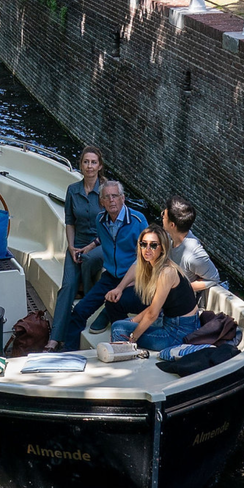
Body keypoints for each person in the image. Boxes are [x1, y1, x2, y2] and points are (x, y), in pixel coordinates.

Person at [60, 180, 147, 351]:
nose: (111, 200)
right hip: (110, 277)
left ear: (123, 198)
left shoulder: (138, 221)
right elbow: (104, 237)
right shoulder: (100, 220)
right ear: (101, 201)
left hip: (133, 279)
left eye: (115, 196)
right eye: (107, 197)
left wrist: (126, 285)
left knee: (116, 305)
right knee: (79, 311)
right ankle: (69, 354)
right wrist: (91, 246)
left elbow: (146, 257)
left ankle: (123, 344)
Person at [46, 146, 106, 351]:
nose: (89, 166)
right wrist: (71, 247)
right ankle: (55, 338)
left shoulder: (107, 191)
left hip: (101, 243)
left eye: (93, 162)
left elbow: (111, 225)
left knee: (89, 259)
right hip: (77, 244)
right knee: (67, 286)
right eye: (86, 162)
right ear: (80, 165)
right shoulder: (73, 190)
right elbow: (69, 222)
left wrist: (91, 246)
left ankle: (87, 303)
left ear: (100, 166)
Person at [109, 225, 201, 351]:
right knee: (127, 322)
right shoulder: (157, 267)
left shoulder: (166, 272)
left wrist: (133, 337)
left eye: (153, 245)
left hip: (178, 333)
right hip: (174, 323)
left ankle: (126, 364)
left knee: (118, 329)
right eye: (143, 244)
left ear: (162, 248)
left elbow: (153, 314)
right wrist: (134, 321)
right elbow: (153, 308)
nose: (147, 249)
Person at [161, 196, 220, 299]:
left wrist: (179, 289)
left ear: (172, 225)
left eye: (163, 216)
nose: (161, 217)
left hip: (178, 303)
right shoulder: (169, 237)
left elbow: (213, 278)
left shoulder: (193, 254)